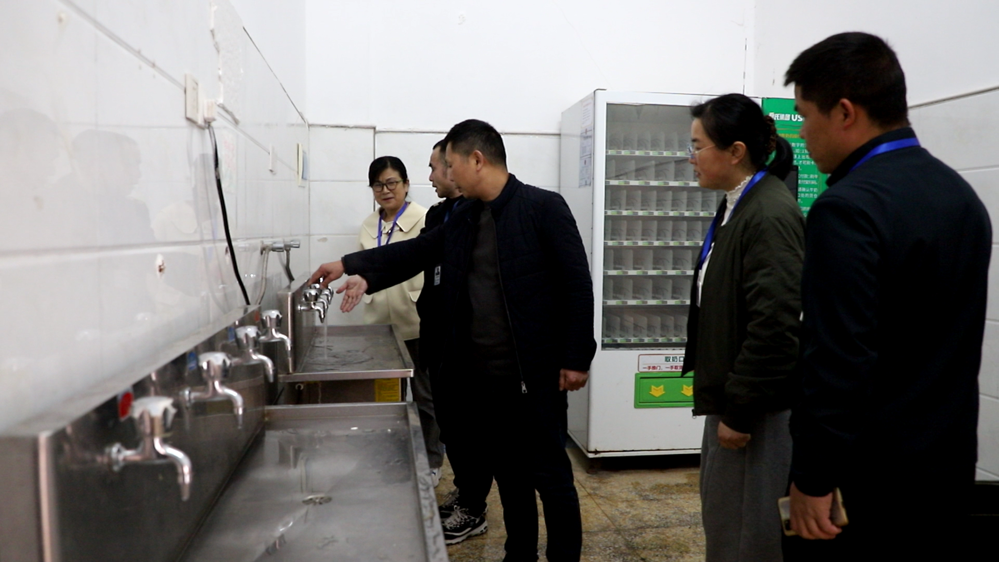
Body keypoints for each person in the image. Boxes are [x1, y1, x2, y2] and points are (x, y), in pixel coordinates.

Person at [310, 119, 596, 562]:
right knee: (510, 478)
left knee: (552, 477)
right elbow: (415, 252)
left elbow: (577, 285)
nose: (444, 172)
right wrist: (351, 265)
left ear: (476, 160)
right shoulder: (464, 216)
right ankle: (519, 555)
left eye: (449, 163)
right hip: (487, 381)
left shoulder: (542, 208)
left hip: (535, 376)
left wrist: (576, 357)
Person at [782, 32, 991, 560]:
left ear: (844, 112)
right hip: (943, 472)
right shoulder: (960, 195)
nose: (802, 132)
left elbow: (837, 359)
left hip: (865, 481)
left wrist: (812, 477)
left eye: (805, 115)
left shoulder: (848, 208)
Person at [681, 94, 804, 561]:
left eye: (697, 146)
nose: (691, 158)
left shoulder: (769, 213)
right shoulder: (738, 204)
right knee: (724, 519)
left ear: (735, 151)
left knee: (750, 533)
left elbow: (775, 324)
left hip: (758, 409)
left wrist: (739, 411)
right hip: (734, 394)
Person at [419, 138, 496, 543]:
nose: (434, 175)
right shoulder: (438, 215)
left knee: (471, 431)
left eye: (439, 166)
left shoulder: (480, 213)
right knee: (450, 426)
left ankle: (474, 506)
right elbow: (420, 258)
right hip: (439, 338)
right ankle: (466, 493)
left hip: (469, 345)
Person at [358, 156, 444, 485]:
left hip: (416, 323)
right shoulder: (368, 225)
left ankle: (432, 461)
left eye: (392, 182)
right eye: (378, 185)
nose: (385, 190)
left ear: (406, 184)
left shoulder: (425, 218)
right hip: (379, 325)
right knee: (387, 398)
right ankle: (393, 454)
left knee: (425, 398)